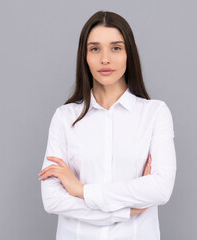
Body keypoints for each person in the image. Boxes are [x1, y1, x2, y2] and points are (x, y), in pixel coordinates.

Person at [38, 10, 177, 240]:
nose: (105, 59)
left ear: (128, 54)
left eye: (116, 48)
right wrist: (129, 210)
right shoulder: (64, 117)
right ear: (85, 56)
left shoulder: (155, 113)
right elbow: (52, 200)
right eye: (95, 48)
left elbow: (161, 189)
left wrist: (82, 191)